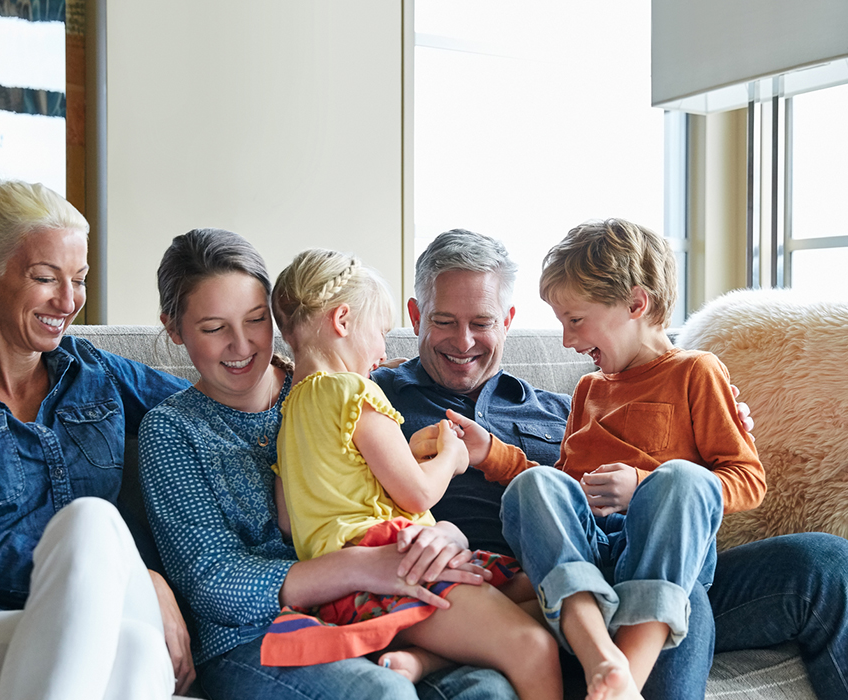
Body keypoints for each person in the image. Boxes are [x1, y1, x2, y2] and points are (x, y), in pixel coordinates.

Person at [372, 227, 848, 700]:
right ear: (415, 317)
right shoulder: (375, 399)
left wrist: (702, 441)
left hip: (658, 561)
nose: (464, 341)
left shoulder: (572, 398)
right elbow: (553, 488)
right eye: (443, 321)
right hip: (540, 580)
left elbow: (731, 477)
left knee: (826, 560)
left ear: (507, 321)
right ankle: (612, 665)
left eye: (481, 322)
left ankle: (621, 675)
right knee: (554, 499)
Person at [138, 228, 523, 700]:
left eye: (256, 320)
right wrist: (363, 567)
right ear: (175, 329)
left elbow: (393, 500)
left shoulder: (336, 386)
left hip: (377, 607)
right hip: (253, 635)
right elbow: (213, 583)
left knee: (488, 689)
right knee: (384, 695)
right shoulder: (173, 430)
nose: (241, 346)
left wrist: (442, 536)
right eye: (214, 328)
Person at [262, 248, 559, 697]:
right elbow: (419, 495)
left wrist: (411, 451)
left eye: (481, 322)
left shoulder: (289, 415)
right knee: (535, 646)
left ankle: (421, 659)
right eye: (381, 333)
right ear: (342, 320)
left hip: (343, 591)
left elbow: (291, 518)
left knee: (539, 595)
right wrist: (452, 459)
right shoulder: (356, 391)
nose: (383, 351)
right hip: (401, 561)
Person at [487, 219, 763, 699]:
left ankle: (625, 680)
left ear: (637, 304)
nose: (569, 341)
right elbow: (563, 490)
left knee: (681, 479)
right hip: (590, 557)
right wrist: (491, 455)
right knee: (534, 489)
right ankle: (601, 658)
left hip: (663, 553)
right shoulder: (588, 388)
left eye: (576, 320)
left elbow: (747, 479)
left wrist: (642, 485)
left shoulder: (696, 371)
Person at [0, 175, 194, 699]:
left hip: (113, 604)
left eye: (79, 278)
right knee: (96, 530)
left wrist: (345, 383)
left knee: (138, 646)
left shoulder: (93, 371)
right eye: (46, 277)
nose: (68, 300)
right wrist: (132, 575)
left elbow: (212, 408)